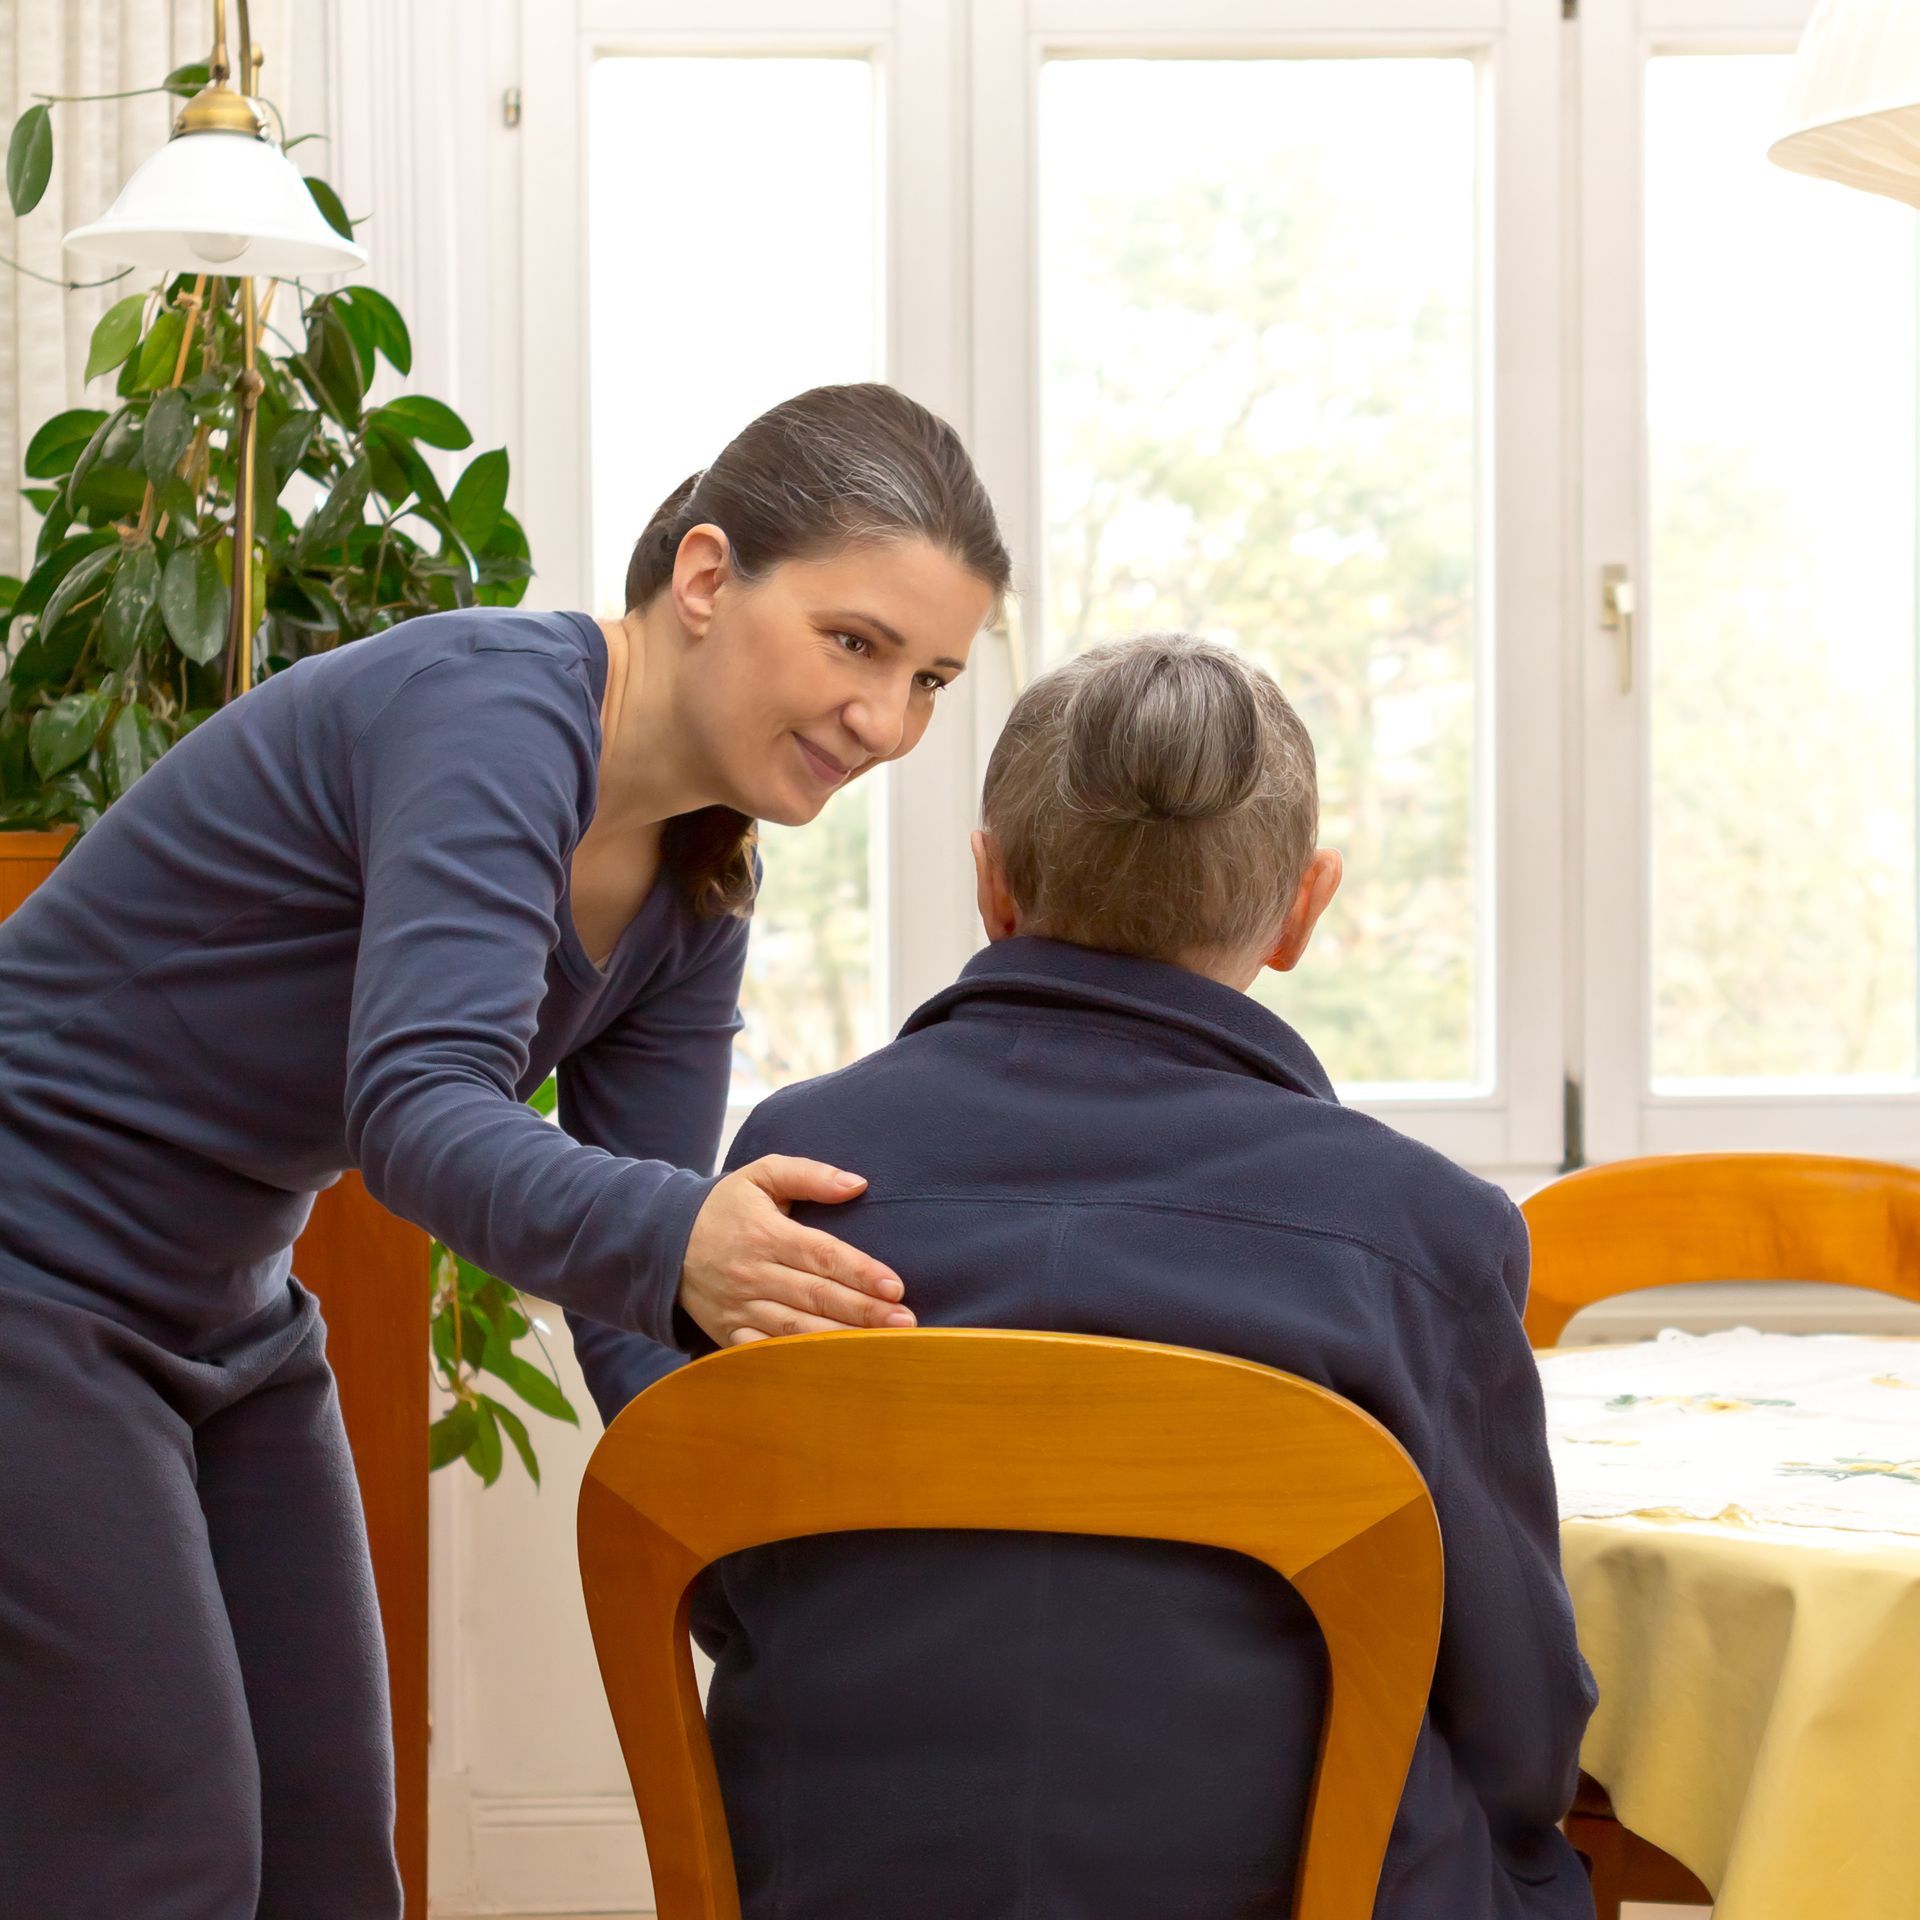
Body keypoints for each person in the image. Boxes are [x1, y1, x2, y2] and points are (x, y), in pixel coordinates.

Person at [0, 383, 1009, 1919]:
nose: (889, 721)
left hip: (222, 1311)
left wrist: (768, 1576)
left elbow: (630, 1301)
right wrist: (684, 1238)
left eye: (931, 677)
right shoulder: (494, 711)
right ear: (706, 576)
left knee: (336, 1856)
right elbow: (421, 1112)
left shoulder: (695, 888)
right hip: (31, 1272)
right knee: (164, 1855)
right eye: (855, 643)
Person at [581, 634, 1597, 1920]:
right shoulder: (1421, 1232)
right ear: (1303, 909)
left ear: (991, 886)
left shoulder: (790, 1175)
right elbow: (1521, 1728)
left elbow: (741, 1588)